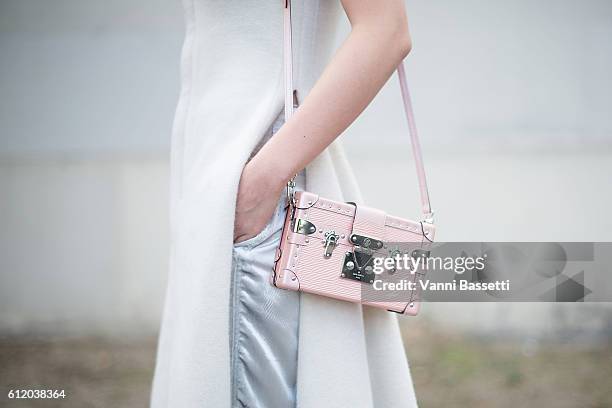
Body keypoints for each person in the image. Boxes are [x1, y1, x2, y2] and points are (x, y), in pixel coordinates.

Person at [151, 1, 419, 407]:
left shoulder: (259, 189)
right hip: (222, 187)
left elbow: (386, 31)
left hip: (266, 196)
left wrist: (264, 180)